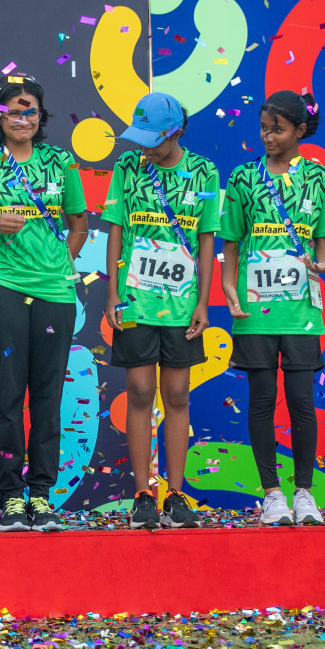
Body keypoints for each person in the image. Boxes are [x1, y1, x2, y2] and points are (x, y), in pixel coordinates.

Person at [0, 76, 89, 532]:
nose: (23, 119)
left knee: (49, 395)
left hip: (55, 292)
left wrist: (62, 260)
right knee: (8, 393)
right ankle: (11, 495)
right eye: (14, 111)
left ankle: (41, 494)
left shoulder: (59, 161)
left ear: (41, 114)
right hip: (2, 288)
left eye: (30, 110)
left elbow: (79, 222)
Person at [101, 92, 218, 530]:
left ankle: (176, 492)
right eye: (141, 137)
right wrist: (112, 292)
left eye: (154, 138)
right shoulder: (128, 168)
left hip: (183, 304)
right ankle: (142, 493)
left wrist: (203, 301)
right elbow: (115, 230)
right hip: (134, 301)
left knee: (177, 395)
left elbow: (207, 240)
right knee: (139, 391)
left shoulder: (204, 171)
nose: (145, 146)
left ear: (177, 132)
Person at [219, 90, 325, 527]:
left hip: (301, 309)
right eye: (264, 128)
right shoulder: (243, 178)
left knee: (302, 400)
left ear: (300, 131)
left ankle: (304, 492)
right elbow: (231, 243)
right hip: (255, 309)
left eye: (278, 129)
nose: (269, 136)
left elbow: (323, 245)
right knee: (262, 399)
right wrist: (230, 287)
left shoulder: (321, 179)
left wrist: (322, 263)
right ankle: (272, 494)